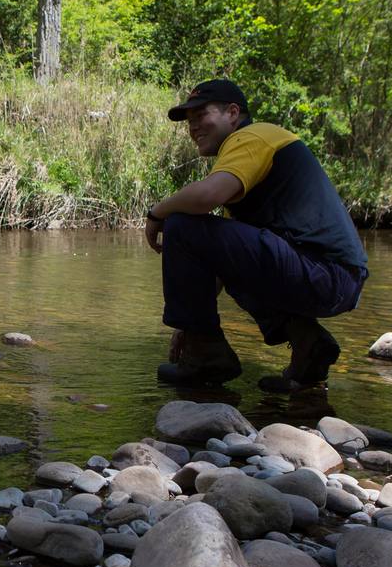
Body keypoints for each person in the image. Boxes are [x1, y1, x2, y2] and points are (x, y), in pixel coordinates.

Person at [144, 78, 367, 392]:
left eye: (201, 115)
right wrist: (190, 323)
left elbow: (207, 196)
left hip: (324, 272)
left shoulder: (252, 136)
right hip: (336, 278)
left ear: (233, 113)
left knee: (180, 222)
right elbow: (219, 264)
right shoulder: (248, 151)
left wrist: (157, 213)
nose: (193, 127)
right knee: (207, 241)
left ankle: (208, 359)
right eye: (189, 121)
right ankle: (309, 346)